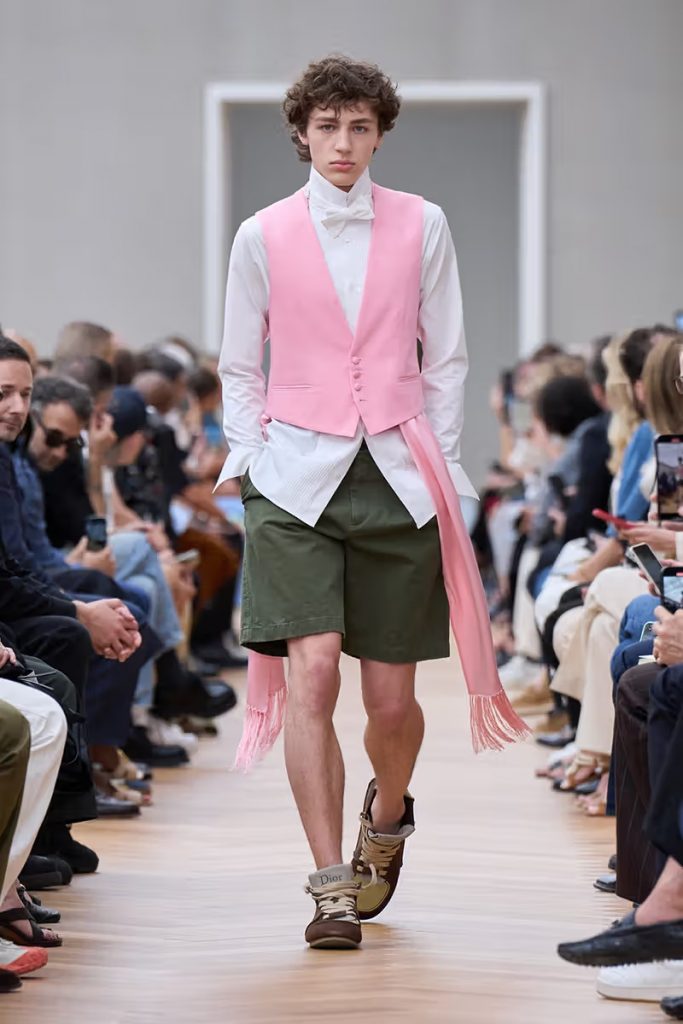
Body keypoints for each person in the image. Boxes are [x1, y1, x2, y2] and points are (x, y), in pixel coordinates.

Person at [217, 54, 527, 950]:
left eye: (359, 126)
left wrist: (442, 462)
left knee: (391, 702)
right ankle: (329, 889)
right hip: (292, 479)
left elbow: (447, 356)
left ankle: (386, 819)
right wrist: (253, 457)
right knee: (312, 670)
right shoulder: (260, 235)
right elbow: (239, 363)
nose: (342, 143)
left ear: (380, 133)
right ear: (301, 133)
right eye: (327, 127)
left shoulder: (423, 224)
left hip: (396, 471)